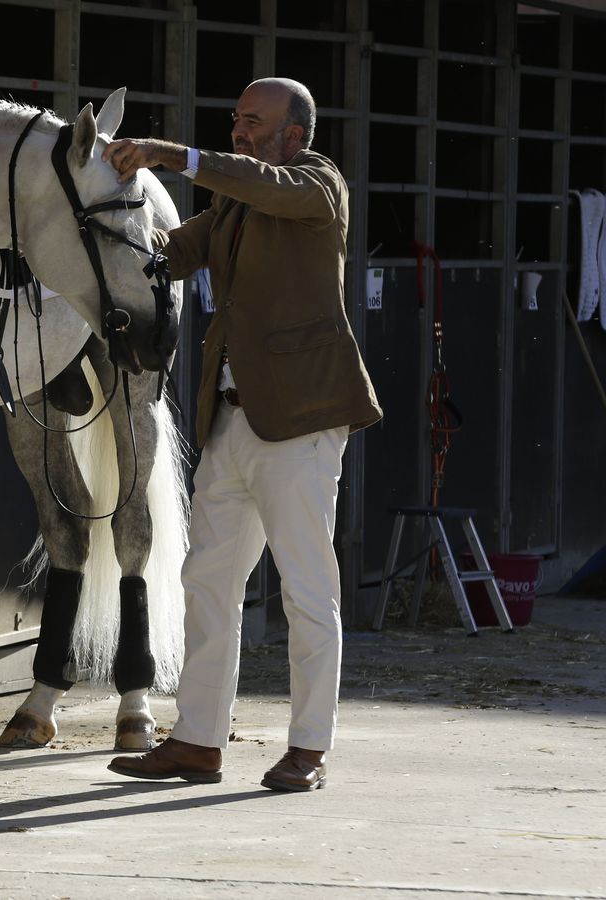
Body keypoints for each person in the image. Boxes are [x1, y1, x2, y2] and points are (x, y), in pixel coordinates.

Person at [99, 77, 382, 792]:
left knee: (308, 592)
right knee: (207, 584)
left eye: (255, 121)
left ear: (296, 135)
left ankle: (309, 749)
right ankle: (198, 741)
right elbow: (170, 249)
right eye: (236, 119)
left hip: (302, 423)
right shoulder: (233, 202)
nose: (240, 130)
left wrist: (172, 154)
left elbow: (257, 181)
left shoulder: (318, 186)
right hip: (230, 420)